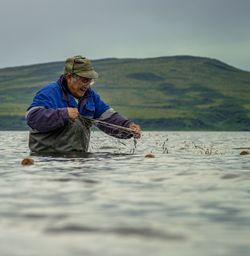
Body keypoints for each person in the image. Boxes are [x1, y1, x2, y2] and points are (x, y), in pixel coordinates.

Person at [25, 55, 141, 153]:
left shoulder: (91, 96)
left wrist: (128, 127)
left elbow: (108, 117)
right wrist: (63, 114)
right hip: (47, 160)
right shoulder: (50, 92)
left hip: (78, 158)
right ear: (70, 77)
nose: (87, 85)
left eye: (90, 80)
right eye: (85, 80)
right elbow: (32, 117)